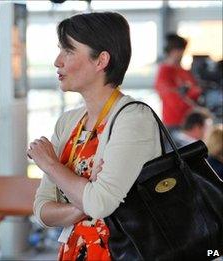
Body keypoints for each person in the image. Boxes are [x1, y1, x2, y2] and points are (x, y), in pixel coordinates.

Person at [29, 12, 161, 260]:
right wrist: (84, 200)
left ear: (101, 61)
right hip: (75, 251)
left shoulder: (133, 119)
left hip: (121, 253)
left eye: (68, 51)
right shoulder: (68, 122)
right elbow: (42, 210)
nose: (57, 61)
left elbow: (100, 205)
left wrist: (49, 164)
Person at [154, 33, 202, 133]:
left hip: (191, 123)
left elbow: (196, 91)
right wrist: (193, 104)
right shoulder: (164, 72)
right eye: (180, 50)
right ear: (172, 51)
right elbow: (172, 99)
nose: (182, 53)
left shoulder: (184, 71)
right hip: (174, 123)